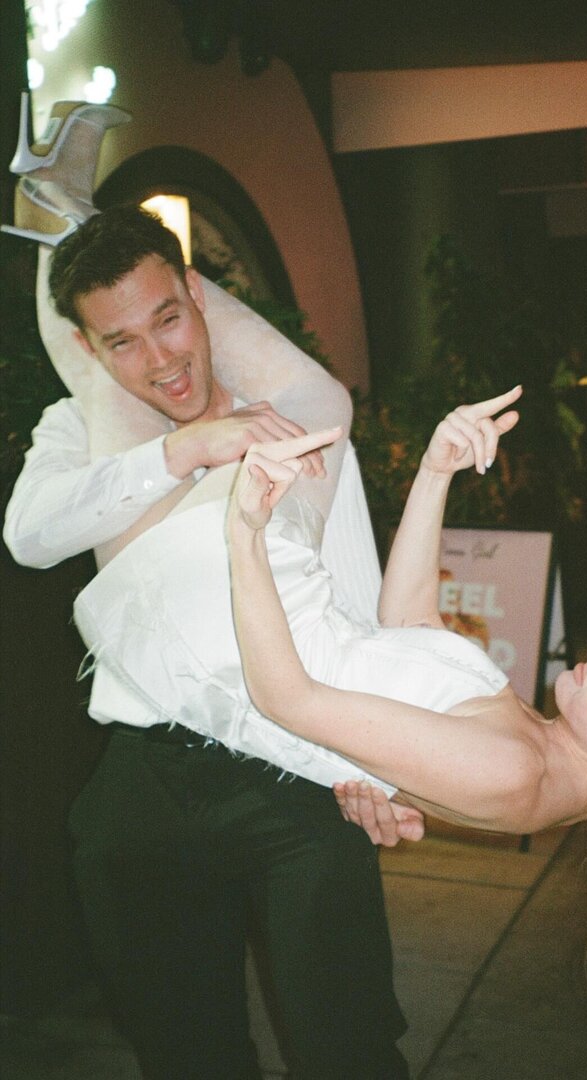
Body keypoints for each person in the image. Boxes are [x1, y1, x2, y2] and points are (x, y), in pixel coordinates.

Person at [72, 382, 587, 1080]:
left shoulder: (517, 773)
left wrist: (246, 535)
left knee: (245, 395)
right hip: (266, 630)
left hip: (244, 643)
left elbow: (289, 698)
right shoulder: (543, 750)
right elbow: (409, 626)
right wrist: (436, 470)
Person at [3, 97, 408, 1080]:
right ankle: (55, 206)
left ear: (199, 298)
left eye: (169, 319)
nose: (161, 360)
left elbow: (353, 592)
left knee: (349, 1048)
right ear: (90, 351)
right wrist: (182, 451)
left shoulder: (293, 419)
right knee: (186, 1056)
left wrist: (377, 756)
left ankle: (56, 203)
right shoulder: (81, 432)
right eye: (121, 343)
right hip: (145, 781)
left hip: (296, 769)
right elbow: (29, 537)